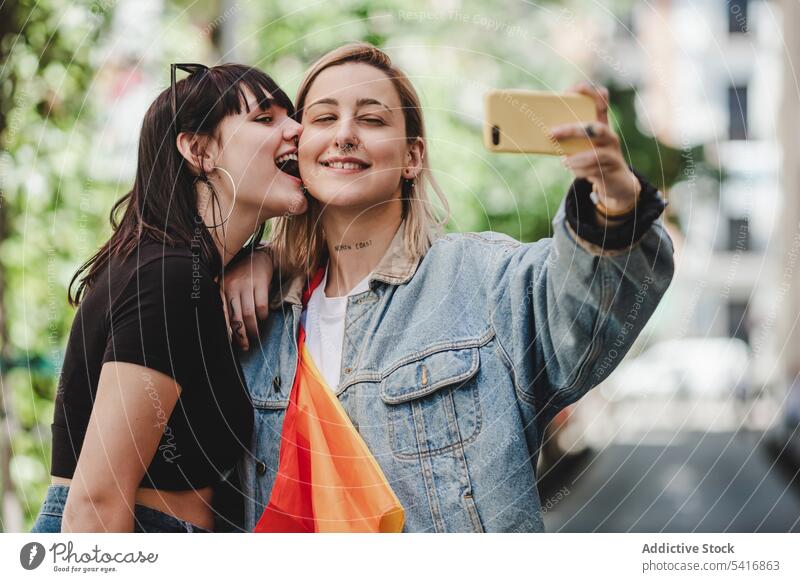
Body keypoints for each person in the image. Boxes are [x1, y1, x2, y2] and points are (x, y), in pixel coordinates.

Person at [224, 42, 674, 532]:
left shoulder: (482, 279)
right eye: (324, 118)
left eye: (373, 120)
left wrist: (613, 199)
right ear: (298, 150)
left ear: (412, 156)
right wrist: (250, 256)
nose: (345, 135)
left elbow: (587, 304)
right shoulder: (257, 312)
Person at [31, 63, 305, 533]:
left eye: (292, 116)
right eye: (265, 119)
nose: (298, 131)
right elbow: (95, 503)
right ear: (198, 150)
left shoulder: (183, 270)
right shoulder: (167, 276)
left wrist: (271, 256)